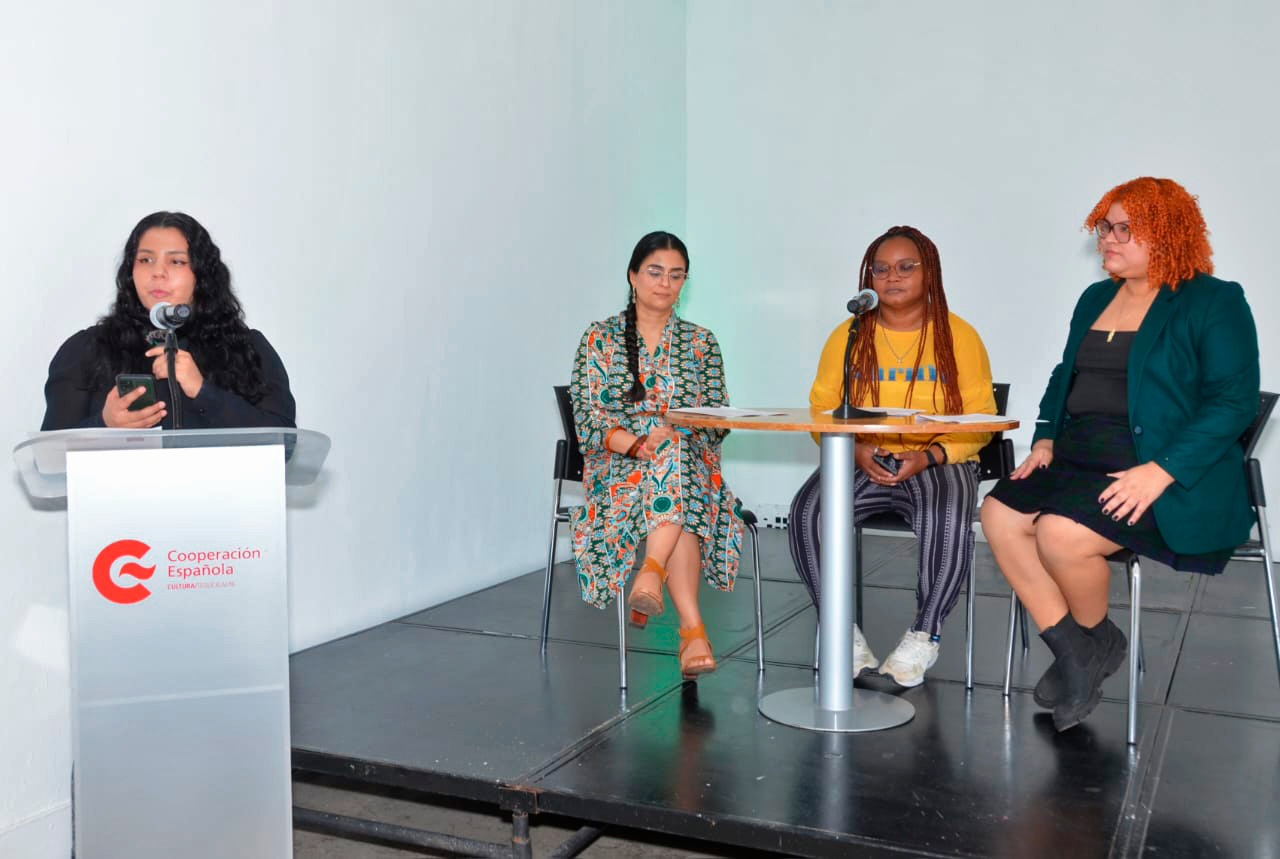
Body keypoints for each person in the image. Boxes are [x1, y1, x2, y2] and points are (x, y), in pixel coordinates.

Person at [980, 177, 1260, 732]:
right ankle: (1083, 647)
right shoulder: (1094, 299)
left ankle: (1084, 646)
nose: (1107, 238)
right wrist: (1045, 436)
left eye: (1123, 229)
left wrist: (1160, 471)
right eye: (1104, 227)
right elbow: (1065, 375)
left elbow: (1234, 402)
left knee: (1060, 535)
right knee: (998, 514)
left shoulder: (1213, 301)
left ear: (1168, 233)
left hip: (1157, 466)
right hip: (1076, 454)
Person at [788, 225, 996, 687]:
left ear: (929, 274)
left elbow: (982, 420)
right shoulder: (849, 335)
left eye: (905, 267)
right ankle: (840, 632)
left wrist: (931, 456)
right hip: (867, 456)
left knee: (945, 516)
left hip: (935, 459)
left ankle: (924, 636)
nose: (892, 277)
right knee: (807, 512)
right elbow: (821, 411)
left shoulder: (959, 336)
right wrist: (855, 449)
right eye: (880, 269)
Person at [569, 231, 743, 679]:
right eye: (655, 272)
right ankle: (691, 629)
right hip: (618, 469)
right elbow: (587, 419)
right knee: (677, 480)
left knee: (677, 456)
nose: (665, 283)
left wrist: (674, 434)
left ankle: (652, 571)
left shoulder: (701, 342)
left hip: (688, 464)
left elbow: (719, 420)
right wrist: (638, 443)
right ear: (632, 276)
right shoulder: (600, 338)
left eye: (676, 275)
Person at [41, 211, 295, 431]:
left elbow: (284, 444)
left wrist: (204, 392)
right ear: (131, 272)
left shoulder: (246, 349)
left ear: (201, 275)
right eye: (145, 260)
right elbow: (49, 458)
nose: (158, 272)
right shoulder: (87, 350)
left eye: (176, 261)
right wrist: (104, 423)